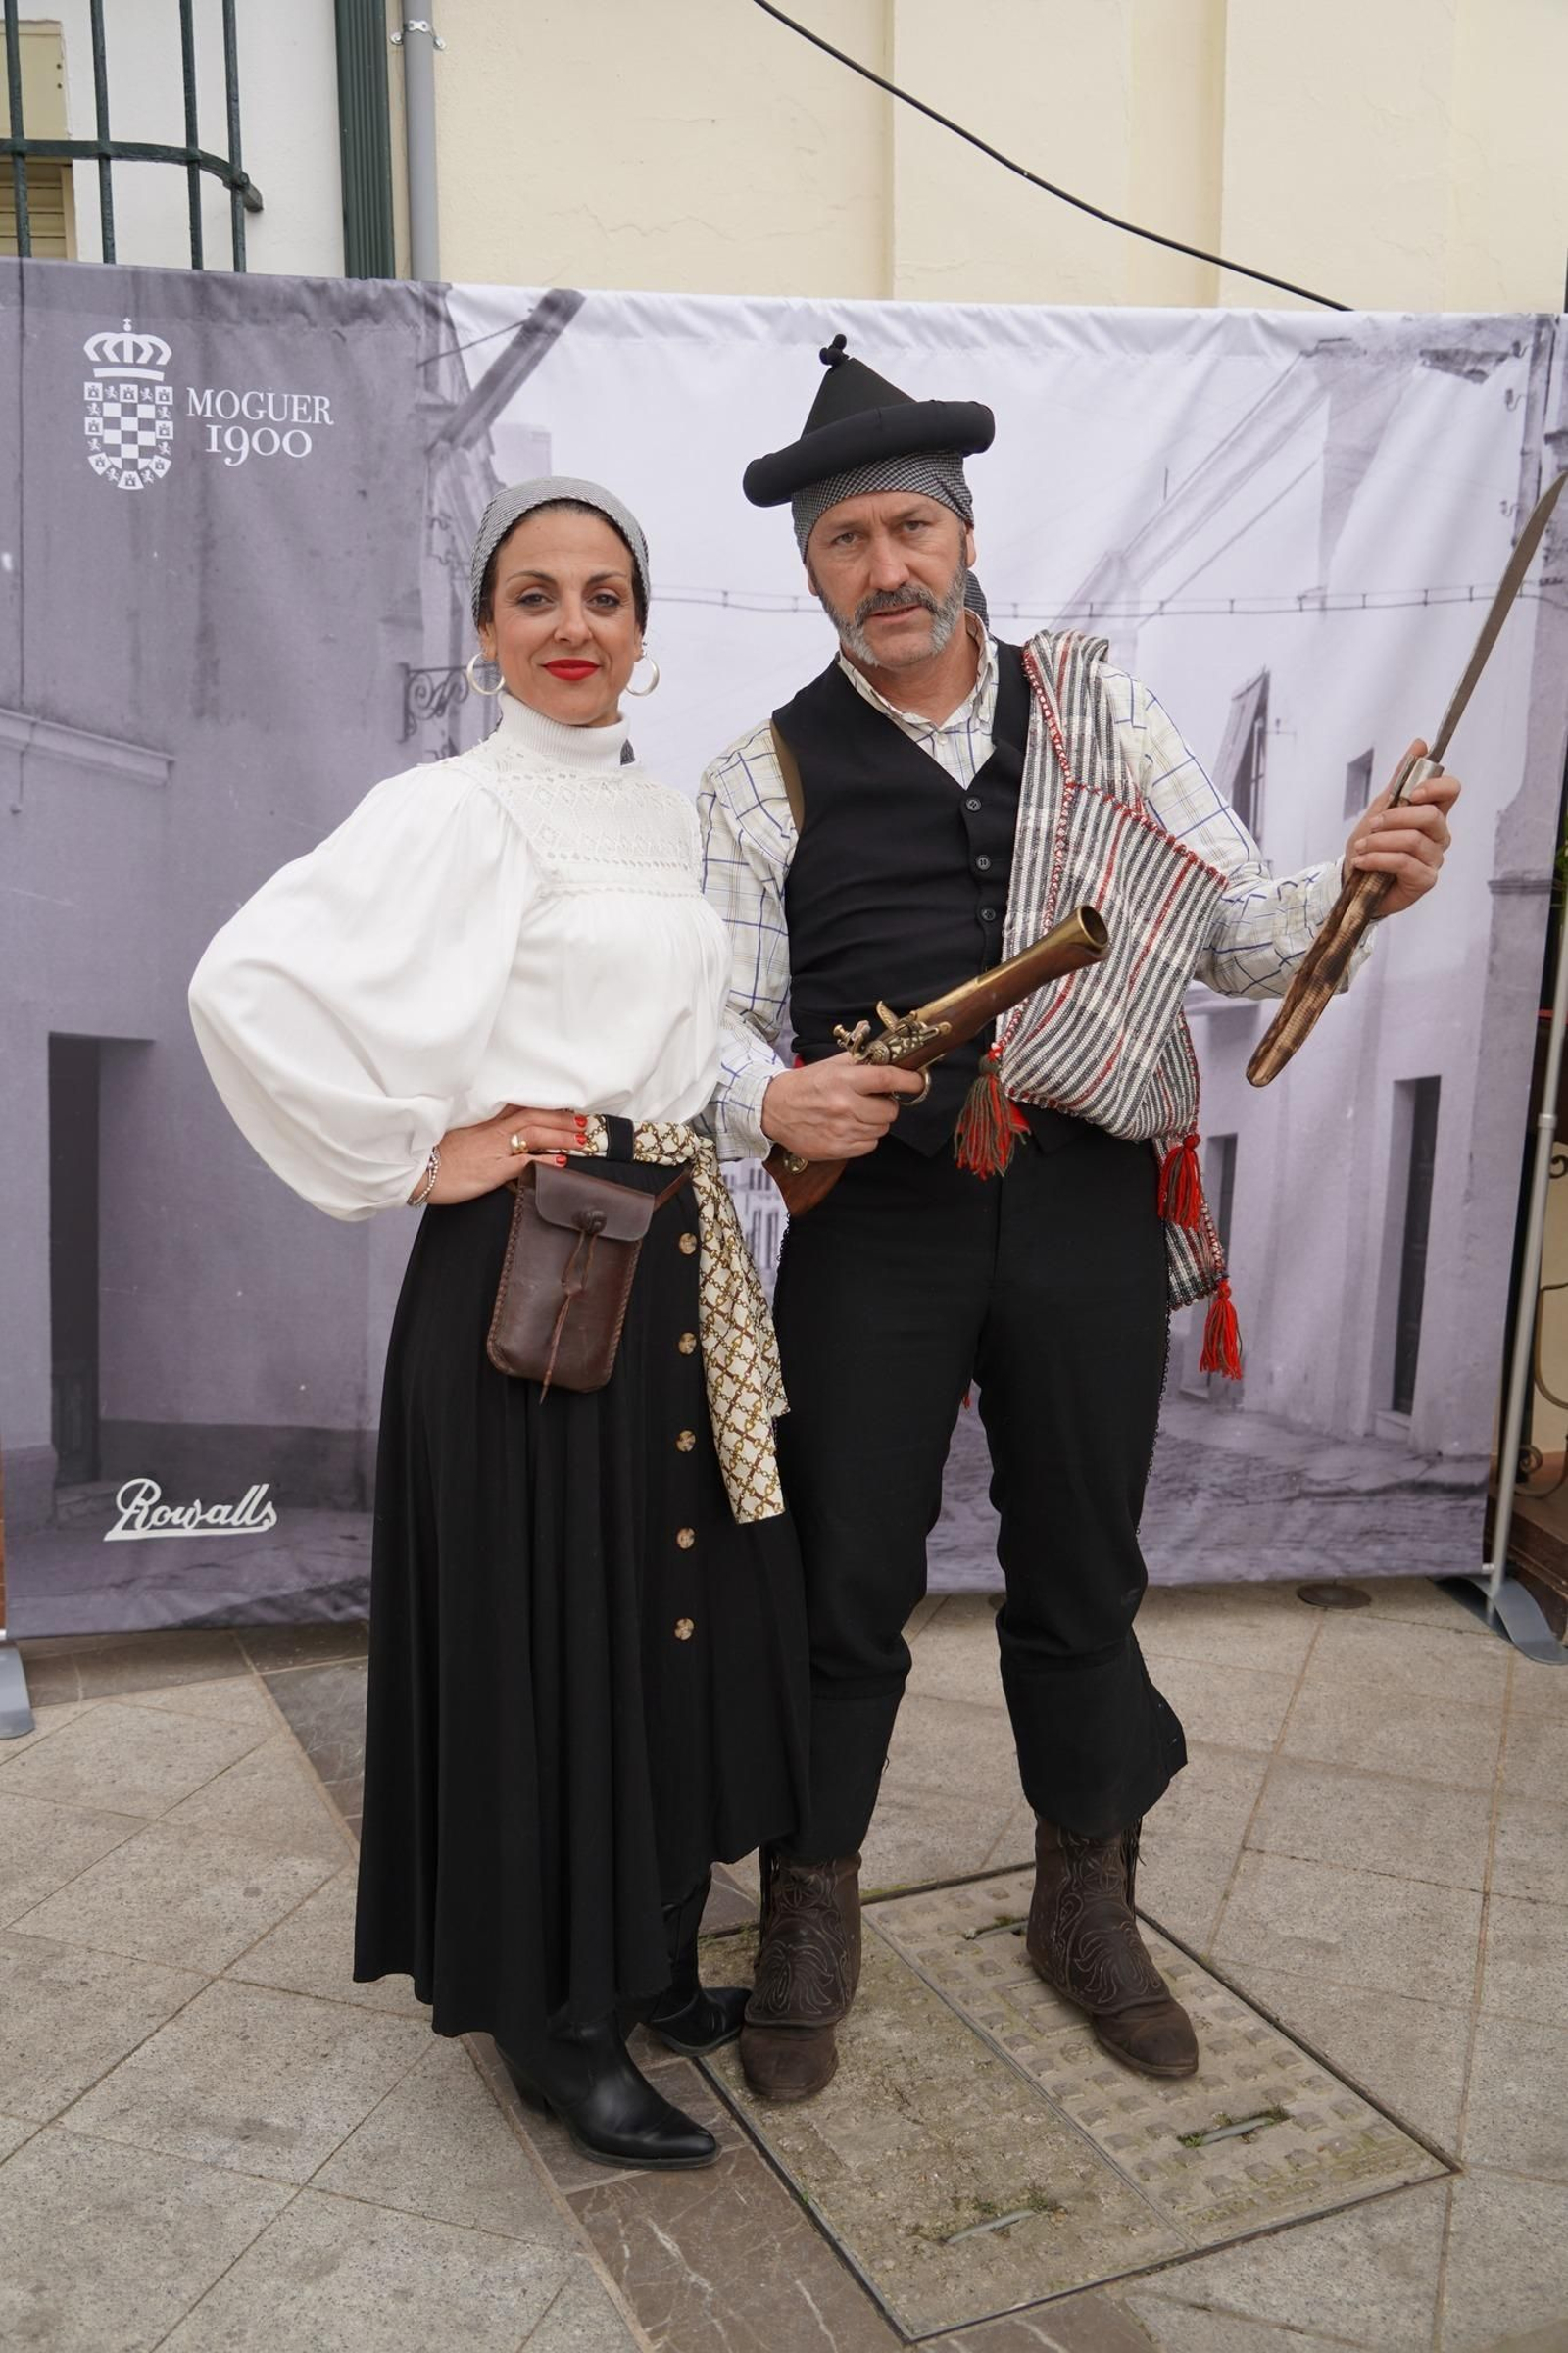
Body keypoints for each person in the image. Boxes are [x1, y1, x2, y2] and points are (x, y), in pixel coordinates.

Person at [698, 338, 1460, 2102]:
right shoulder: (761, 779)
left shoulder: (1100, 713)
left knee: (1084, 1572)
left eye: (912, 529)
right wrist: (773, 1098)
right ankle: (812, 1910)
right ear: (809, 568)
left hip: (1085, 1203)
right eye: (846, 543)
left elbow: (1244, 925)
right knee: (845, 1581)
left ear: (963, 536)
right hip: (875, 1226)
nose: (886, 569)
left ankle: (1085, 1898)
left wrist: (1362, 881)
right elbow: (722, 1033)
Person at [189, 477, 808, 2171]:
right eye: (533, 595)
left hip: (673, 1257)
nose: (572, 625)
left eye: (604, 595)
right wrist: (419, 1153)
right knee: (555, 1637)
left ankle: (652, 1943)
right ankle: (557, 2020)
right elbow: (243, 983)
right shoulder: (452, 809)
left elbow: (689, 1051)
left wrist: (775, 1104)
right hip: (532, 1279)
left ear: (642, 629)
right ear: (484, 631)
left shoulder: (671, 818)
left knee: (670, 1610)